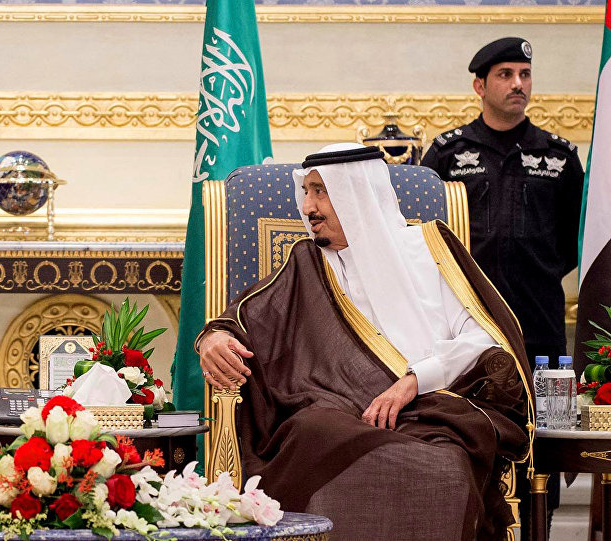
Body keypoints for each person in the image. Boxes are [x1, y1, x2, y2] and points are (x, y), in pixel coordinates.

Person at [197, 143, 531, 540]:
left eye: (320, 191)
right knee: (315, 432)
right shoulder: (307, 263)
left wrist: (414, 381)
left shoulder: (430, 248)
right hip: (338, 414)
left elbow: (486, 337)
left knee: (447, 467)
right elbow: (247, 318)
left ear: (356, 193)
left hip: (432, 412)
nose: (307, 207)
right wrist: (215, 338)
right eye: (306, 192)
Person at [420, 37, 584, 536]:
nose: (518, 84)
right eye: (506, 75)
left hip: (539, 325)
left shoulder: (559, 157)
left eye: (525, 74)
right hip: (466, 325)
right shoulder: (447, 154)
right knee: (469, 435)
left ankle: (539, 530)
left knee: (543, 441)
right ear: (480, 85)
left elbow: (571, 241)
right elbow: (425, 237)